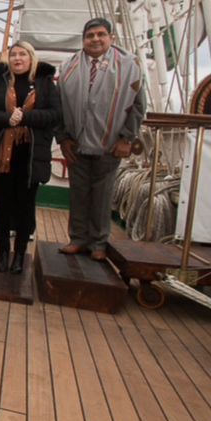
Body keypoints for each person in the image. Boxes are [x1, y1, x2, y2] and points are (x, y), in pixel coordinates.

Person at [55, 17, 146, 261]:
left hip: (110, 143)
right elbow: (59, 105)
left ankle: (98, 243)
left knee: (102, 195)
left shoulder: (130, 65)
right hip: (76, 143)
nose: (95, 39)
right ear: (83, 39)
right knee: (79, 194)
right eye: (90, 35)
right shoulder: (69, 66)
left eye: (100, 34)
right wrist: (62, 138)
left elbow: (138, 105)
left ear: (110, 37)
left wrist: (127, 138)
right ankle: (78, 240)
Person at [0, 40, 60, 274]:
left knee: (25, 208)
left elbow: (54, 114)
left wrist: (24, 117)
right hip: (2, 156)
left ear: (31, 58)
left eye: (22, 54)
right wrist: (7, 119)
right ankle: (3, 253)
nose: (17, 58)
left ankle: (20, 255)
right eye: (13, 54)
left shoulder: (44, 84)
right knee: (2, 206)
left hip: (30, 157)